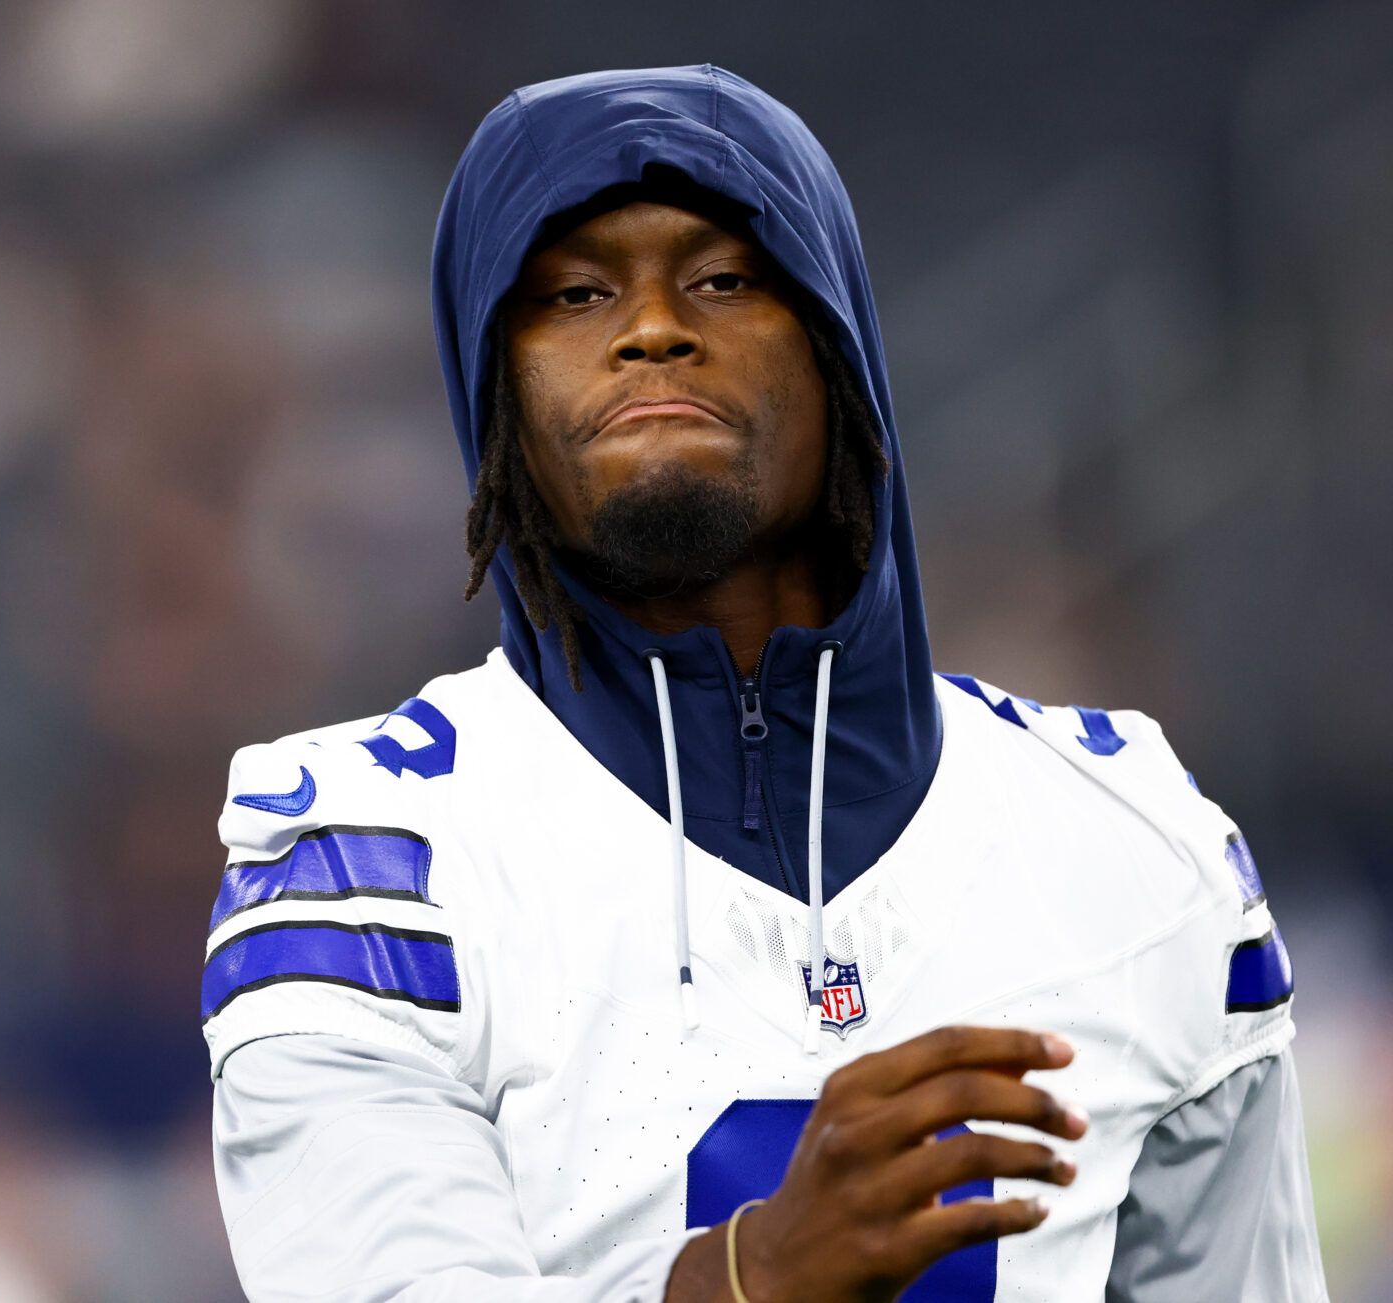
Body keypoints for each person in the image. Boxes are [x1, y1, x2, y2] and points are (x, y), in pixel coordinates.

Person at [200, 65, 1327, 1301]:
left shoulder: (1134, 844)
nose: (651, 330)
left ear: (841, 348)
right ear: (492, 392)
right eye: (575, 293)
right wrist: (749, 1281)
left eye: (725, 279)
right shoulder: (373, 865)